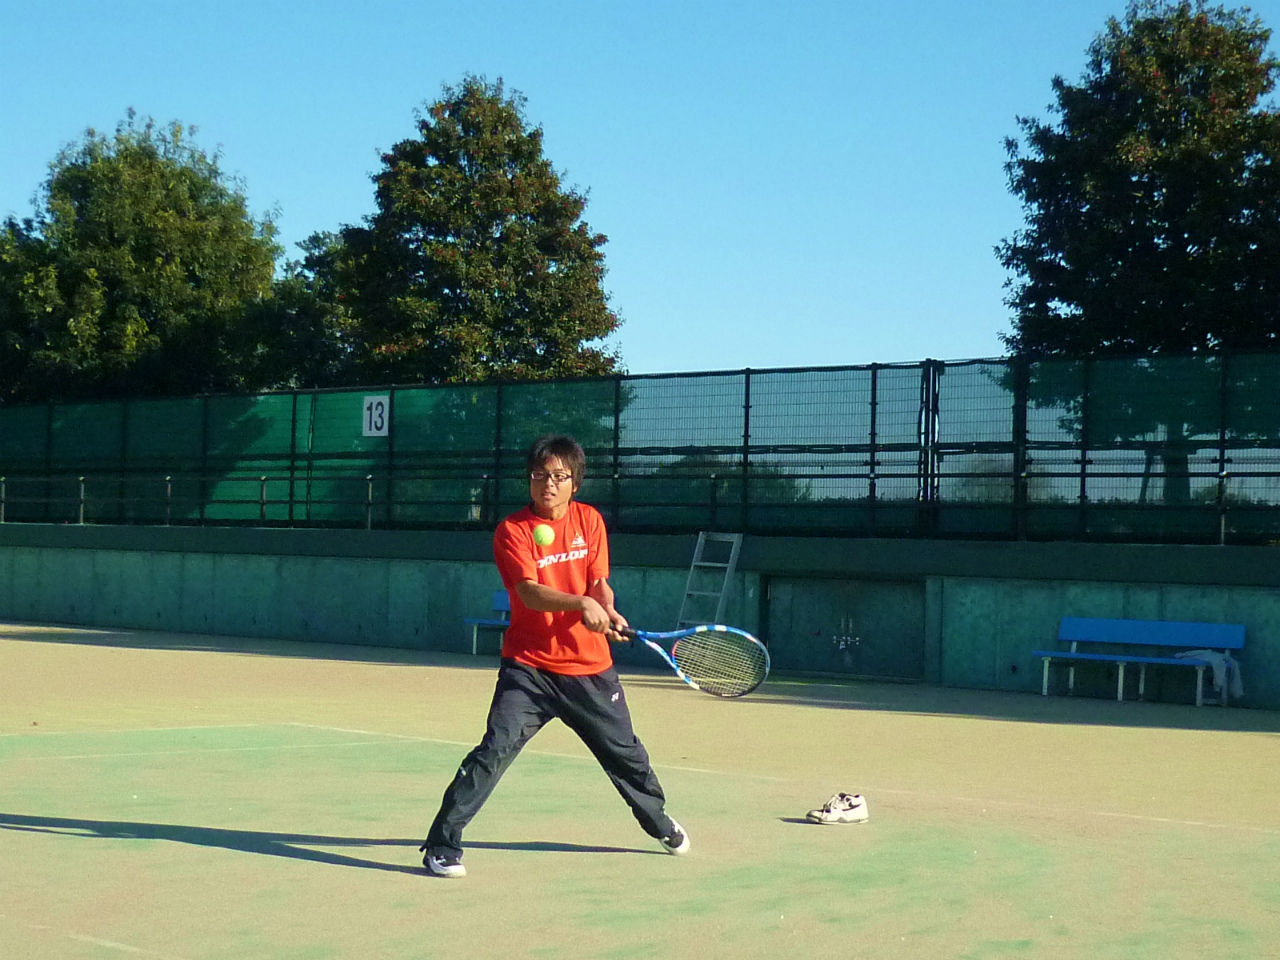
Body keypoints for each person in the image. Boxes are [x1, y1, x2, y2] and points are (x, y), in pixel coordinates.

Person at [420, 434, 688, 878]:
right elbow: (528, 592)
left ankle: (657, 822)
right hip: (529, 670)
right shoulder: (513, 531)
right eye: (540, 475)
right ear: (529, 480)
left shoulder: (591, 522)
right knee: (494, 750)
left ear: (575, 483)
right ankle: (441, 845)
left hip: (590, 671)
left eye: (559, 476)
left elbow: (599, 581)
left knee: (627, 756)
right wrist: (580, 604)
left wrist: (605, 605)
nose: (549, 484)